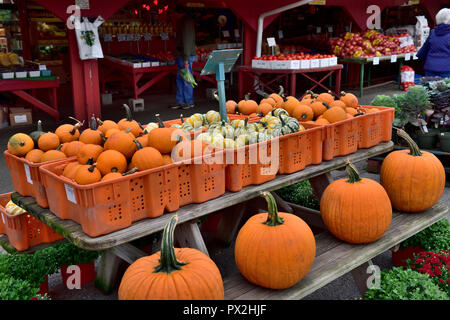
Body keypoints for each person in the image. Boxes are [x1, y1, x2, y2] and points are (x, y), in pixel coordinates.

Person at [171, 5, 196, 110]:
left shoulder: (186, 23)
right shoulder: (183, 22)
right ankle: (181, 101)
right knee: (181, 79)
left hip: (186, 55)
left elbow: (187, 41)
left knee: (186, 79)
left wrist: (186, 59)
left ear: (178, 13)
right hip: (182, 55)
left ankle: (189, 102)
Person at [417, 8, 450, 78]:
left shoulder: (432, 33)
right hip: (447, 70)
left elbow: (422, 52)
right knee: (445, 88)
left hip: (430, 69)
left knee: (430, 88)